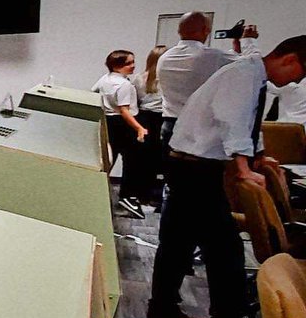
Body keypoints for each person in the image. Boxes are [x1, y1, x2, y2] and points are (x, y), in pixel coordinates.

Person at [149, 35, 306, 318]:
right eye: (300, 72)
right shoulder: (244, 75)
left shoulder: (250, 73)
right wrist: (244, 166)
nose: (297, 80)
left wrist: (257, 155)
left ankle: (164, 308)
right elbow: (230, 120)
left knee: (179, 242)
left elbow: (247, 121)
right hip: (195, 168)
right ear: (289, 59)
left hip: (191, 164)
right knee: (224, 248)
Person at [157, 11, 260, 155]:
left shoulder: (165, 57)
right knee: (201, 175)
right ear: (206, 30)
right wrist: (249, 41)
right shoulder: (212, 56)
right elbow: (253, 66)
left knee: (173, 174)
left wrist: (236, 49)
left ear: (179, 30)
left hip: (169, 125)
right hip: (197, 129)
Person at [93, 50, 148, 218]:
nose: (133, 66)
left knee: (109, 158)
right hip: (123, 124)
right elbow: (124, 110)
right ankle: (127, 197)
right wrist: (139, 128)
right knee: (132, 160)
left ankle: (99, 193)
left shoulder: (105, 79)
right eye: (129, 63)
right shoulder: (123, 85)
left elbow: (93, 93)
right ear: (118, 66)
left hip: (109, 122)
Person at [131, 46, 168, 203]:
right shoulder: (169, 79)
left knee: (144, 158)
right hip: (164, 118)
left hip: (144, 118)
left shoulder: (139, 78)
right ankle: (159, 196)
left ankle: (142, 194)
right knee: (164, 157)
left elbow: (136, 100)